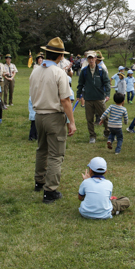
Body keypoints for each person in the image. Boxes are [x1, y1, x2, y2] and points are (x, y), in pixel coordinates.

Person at [30, 37, 76, 204]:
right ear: (59, 56)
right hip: (54, 116)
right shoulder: (58, 73)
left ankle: (39, 181)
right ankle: (50, 191)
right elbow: (65, 100)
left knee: (42, 149)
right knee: (56, 154)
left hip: (39, 116)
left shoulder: (35, 70)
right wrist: (71, 121)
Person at [76, 51, 111, 144]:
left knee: (105, 117)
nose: (91, 60)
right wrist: (78, 95)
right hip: (88, 98)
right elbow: (80, 84)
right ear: (87, 59)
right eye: (89, 58)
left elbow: (107, 82)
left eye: (92, 58)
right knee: (89, 119)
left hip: (99, 97)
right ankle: (92, 136)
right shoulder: (84, 71)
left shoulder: (101, 70)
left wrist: (107, 94)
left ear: (96, 58)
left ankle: (107, 132)